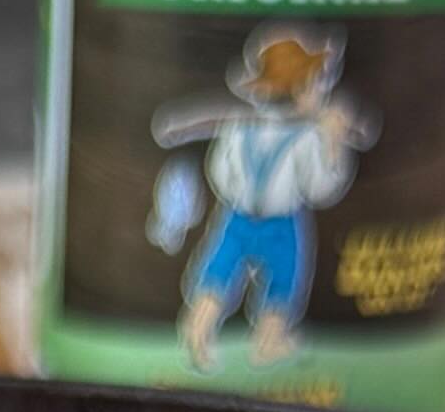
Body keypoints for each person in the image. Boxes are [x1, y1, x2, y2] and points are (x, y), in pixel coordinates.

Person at [147, 24, 377, 361]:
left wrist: (332, 139)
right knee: (275, 279)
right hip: (272, 222)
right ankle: (247, 338)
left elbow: (221, 171)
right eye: (316, 83)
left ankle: (215, 332)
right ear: (299, 89)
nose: (322, 91)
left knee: (226, 274)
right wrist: (332, 144)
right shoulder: (306, 138)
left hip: (241, 216)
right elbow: (319, 188)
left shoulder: (240, 128)